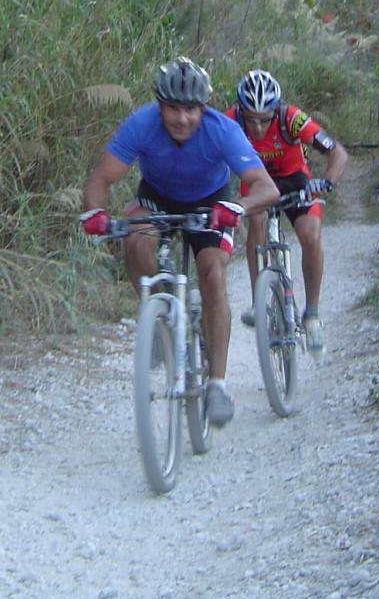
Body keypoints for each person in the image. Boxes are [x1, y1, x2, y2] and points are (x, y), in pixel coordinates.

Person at [80, 57, 279, 428]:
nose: (181, 118)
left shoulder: (223, 130)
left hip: (211, 203)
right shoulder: (141, 124)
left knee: (213, 276)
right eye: (173, 108)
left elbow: (266, 188)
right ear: (160, 106)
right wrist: (95, 214)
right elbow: (99, 179)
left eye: (190, 109)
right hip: (157, 197)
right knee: (137, 242)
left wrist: (236, 206)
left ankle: (217, 384)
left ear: (203, 107)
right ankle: (161, 310)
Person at [224, 69, 348, 358]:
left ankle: (312, 314)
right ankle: (259, 301)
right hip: (257, 184)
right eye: (250, 119)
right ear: (240, 111)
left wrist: (327, 181)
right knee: (256, 221)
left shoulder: (290, 118)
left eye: (264, 119)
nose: (256, 128)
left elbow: (337, 152)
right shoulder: (229, 119)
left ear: (275, 110)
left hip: (295, 181)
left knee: (309, 235)